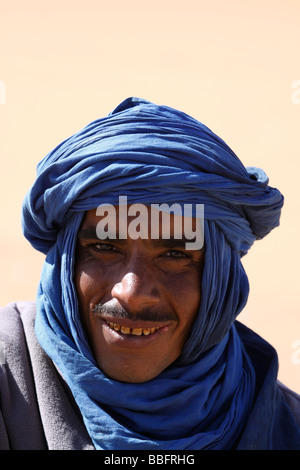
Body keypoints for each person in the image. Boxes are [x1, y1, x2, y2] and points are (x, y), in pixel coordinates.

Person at [0, 97, 299, 450]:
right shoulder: (10, 377)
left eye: (175, 254)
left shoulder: (284, 426)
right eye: (105, 247)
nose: (132, 291)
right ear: (66, 263)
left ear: (222, 278)